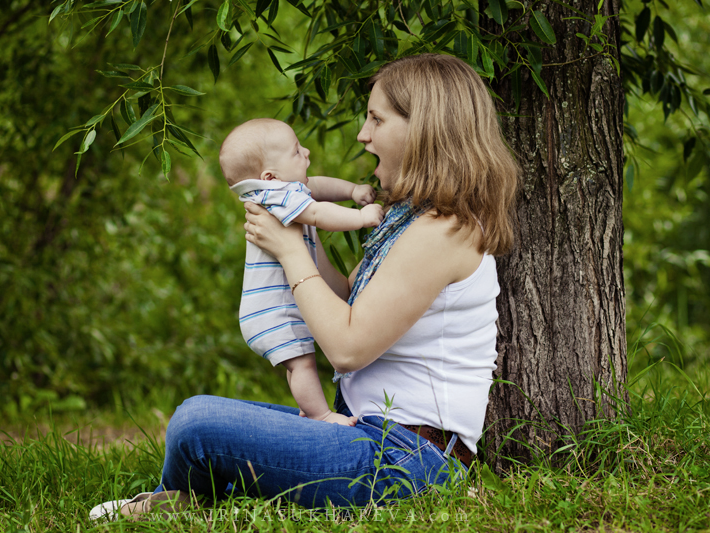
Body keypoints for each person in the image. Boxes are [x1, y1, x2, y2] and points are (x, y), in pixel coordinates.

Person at [90, 53, 519, 520]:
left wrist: (291, 251)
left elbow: (347, 348)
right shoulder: (409, 219)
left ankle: (182, 498)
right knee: (201, 419)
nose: (363, 134)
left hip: (406, 460)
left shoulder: (443, 231)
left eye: (376, 119)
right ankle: (182, 498)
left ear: (424, 130)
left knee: (197, 423)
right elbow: (342, 301)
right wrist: (297, 230)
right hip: (371, 436)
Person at [220, 118, 383, 427]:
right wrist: (361, 217)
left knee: (298, 362)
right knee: (302, 364)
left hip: (268, 310)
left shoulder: (279, 192)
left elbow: (316, 187)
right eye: (296, 151)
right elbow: (318, 212)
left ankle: (310, 408)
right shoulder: (275, 197)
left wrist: (352, 190)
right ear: (270, 177)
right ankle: (321, 414)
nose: (306, 152)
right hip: (274, 311)